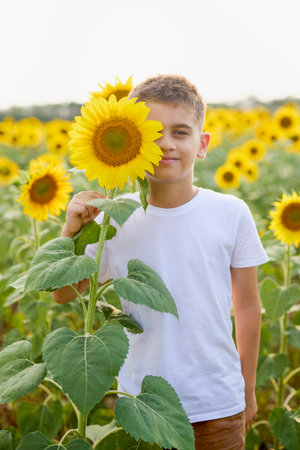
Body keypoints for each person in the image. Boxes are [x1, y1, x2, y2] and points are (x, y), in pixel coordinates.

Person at [52, 74, 268, 449]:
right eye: (152, 134)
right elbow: (63, 294)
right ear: (133, 143)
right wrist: (70, 230)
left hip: (217, 402)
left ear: (202, 145)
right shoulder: (111, 219)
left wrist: (247, 389)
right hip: (141, 408)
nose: (165, 144)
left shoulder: (230, 212)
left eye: (180, 132)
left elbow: (247, 304)